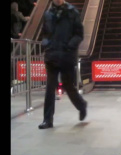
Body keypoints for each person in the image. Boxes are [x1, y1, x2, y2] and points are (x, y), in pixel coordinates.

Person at [38, 0, 87, 129]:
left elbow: (79, 34)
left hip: (66, 56)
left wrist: (69, 46)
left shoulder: (72, 12)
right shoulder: (48, 14)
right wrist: (46, 43)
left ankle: (81, 105)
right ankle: (47, 120)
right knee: (50, 88)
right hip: (52, 56)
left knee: (68, 86)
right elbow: (45, 32)